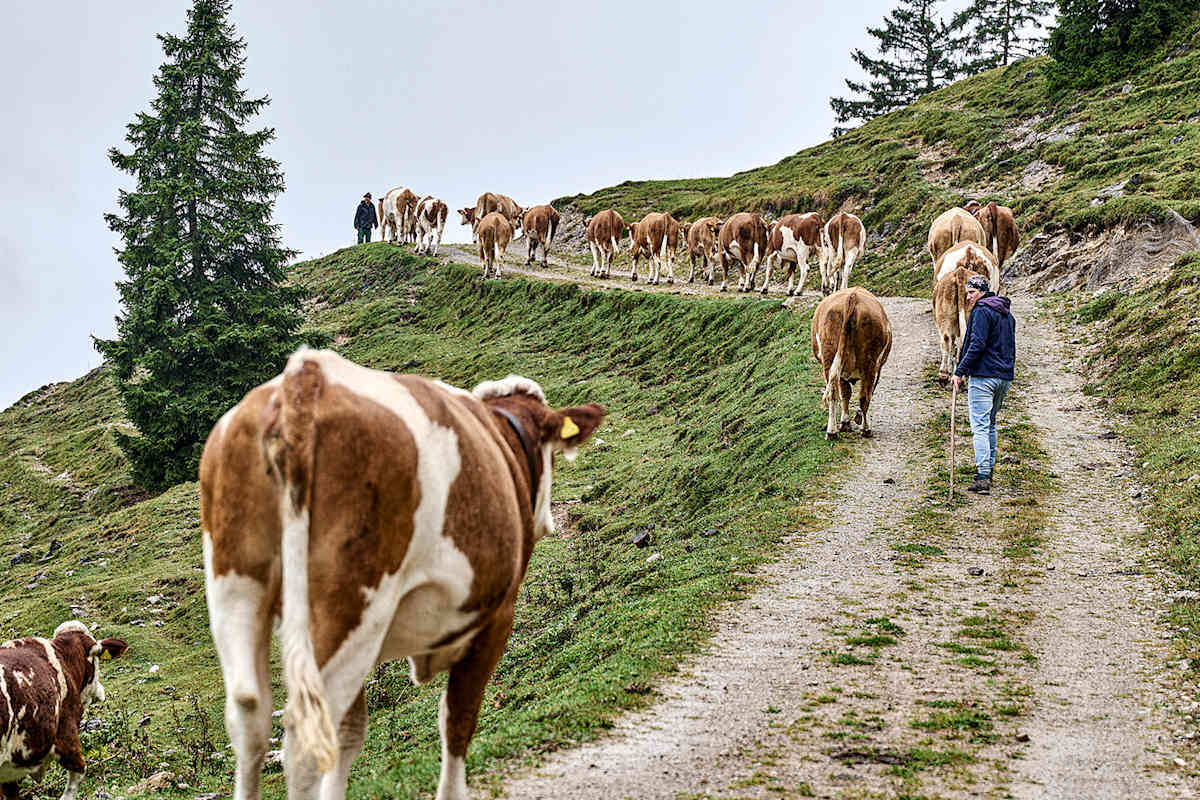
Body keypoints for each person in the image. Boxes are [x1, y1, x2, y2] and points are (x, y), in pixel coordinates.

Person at [951, 274, 1015, 495]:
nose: (968, 297)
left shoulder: (981, 311)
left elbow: (976, 345)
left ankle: (983, 476)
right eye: (967, 293)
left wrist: (959, 371)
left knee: (979, 426)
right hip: (1003, 378)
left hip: (983, 376)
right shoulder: (1007, 315)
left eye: (972, 292)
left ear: (982, 292)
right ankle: (989, 470)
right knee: (990, 424)